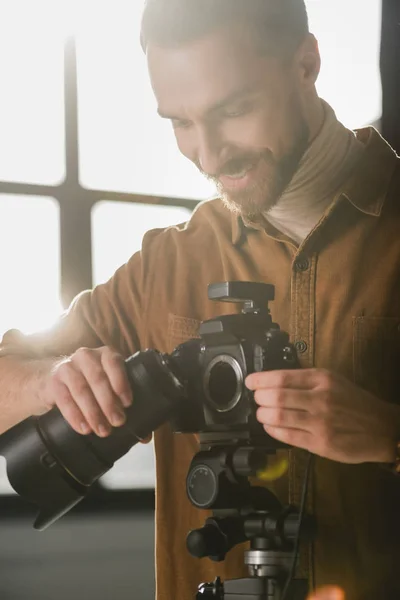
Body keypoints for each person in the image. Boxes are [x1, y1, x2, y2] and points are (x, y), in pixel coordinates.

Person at [0, 0, 399, 598]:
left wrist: (389, 436)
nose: (208, 157)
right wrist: (52, 381)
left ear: (307, 63)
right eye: (179, 123)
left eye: (233, 109)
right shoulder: (168, 262)